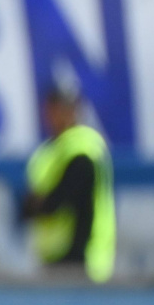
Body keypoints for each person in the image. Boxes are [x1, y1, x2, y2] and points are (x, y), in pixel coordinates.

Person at [21, 88, 116, 283]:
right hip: (53, 256)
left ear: (75, 111)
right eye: (55, 109)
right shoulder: (50, 150)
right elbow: (28, 205)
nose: (59, 115)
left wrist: (41, 203)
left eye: (65, 109)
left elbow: (59, 201)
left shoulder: (82, 149)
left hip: (81, 257)